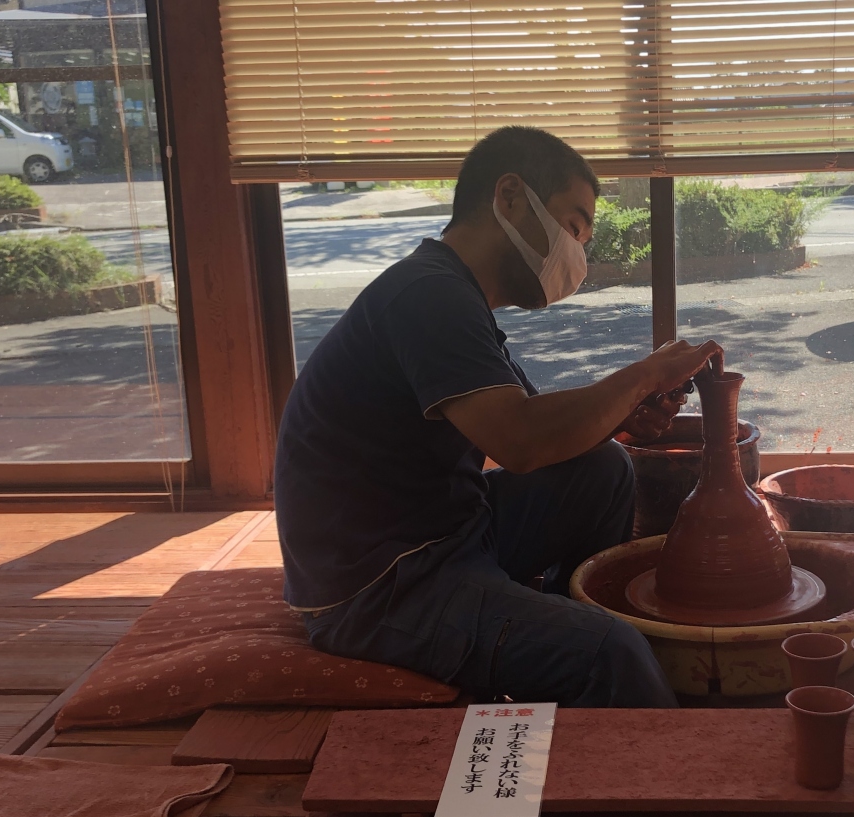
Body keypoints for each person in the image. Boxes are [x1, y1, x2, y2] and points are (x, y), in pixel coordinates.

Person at [274, 126, 722, 708]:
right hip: (381, 584)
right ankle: (585, 672)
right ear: (510, 196)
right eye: (573, 228)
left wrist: (624, 417)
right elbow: (521, 441)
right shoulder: (428, 296)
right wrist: (642, 376)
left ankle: (557, 621)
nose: (578, 255)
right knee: (613, 653)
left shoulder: (451, 292)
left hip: (444, 530)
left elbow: (542, 434)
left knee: (605, 469)